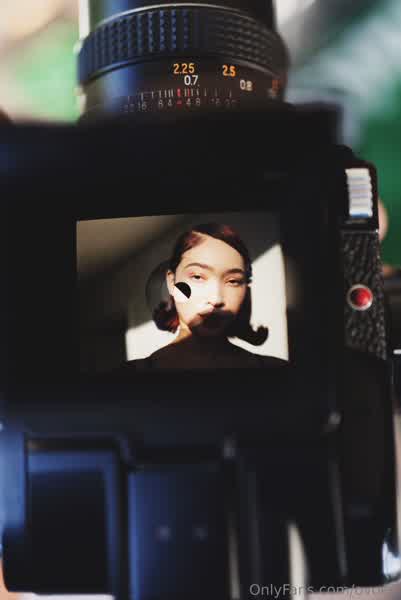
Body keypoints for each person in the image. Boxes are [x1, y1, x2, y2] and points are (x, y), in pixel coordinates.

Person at [117, 222, 287, 371]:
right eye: (197, 277)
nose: (216, 299)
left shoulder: (277, 369)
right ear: (172, 282)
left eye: (233, 281)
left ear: (245, 289)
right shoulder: (130, 375)